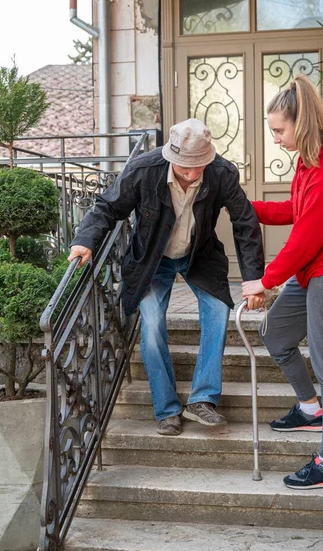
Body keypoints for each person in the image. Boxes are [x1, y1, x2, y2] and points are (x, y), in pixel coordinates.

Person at [69, 118, 265, 436]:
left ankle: (202, 400)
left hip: (199, 257)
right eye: (184, 168)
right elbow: (107, 207)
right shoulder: (143, 169)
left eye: (197, 167)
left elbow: (245, 223)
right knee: (152, 327)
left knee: (218, 312)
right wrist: (84, 241)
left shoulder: (222, 172)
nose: (190, 174)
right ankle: (167, 409)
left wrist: (254, 279)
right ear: (170, 158)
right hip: (151, 261)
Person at [242, 75, 323, 489]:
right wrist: (245, 206)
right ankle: (310, 410)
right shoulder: (307, 163)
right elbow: (295, 211)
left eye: (279, 130)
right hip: (312, 269)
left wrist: (265, 280)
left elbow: (307, 237)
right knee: (275, 334)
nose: (275, 138)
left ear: (302, 123)